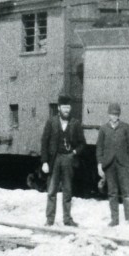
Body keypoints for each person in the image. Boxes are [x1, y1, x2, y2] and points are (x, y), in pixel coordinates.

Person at [41, 95, 86, 226]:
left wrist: (74, 152)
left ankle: (67, 219)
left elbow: (82, 144)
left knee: (67, 191)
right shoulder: (51, 122)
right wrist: (44, 161)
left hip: (68, 159)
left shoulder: (75, 123)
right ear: (59, 108)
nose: (66, 110)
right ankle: (49, 220)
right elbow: (44, 142)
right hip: (54, 160)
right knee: (52, 191)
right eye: (64, 107)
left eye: (68, 107)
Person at [96, 102, 129, 226]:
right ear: (108, 115)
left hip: (123, 164)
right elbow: (99, 148)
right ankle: (114, 219)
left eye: (116, 114)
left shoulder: (125, 127)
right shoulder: (103, 129)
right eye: (112, 114)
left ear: (119, 115)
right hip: (109, 165)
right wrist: (100, 164)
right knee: (112, 192)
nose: (114, 116)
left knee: (126, 191)